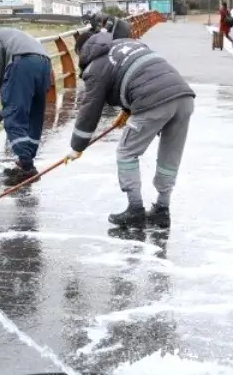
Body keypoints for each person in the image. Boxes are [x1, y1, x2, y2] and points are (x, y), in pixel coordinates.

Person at [66, 31, 195, 229]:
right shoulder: (126, 43)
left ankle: (135, 210)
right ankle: (162, 209)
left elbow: (90, 108)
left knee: (126, 153)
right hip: (183, 96)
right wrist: (126, 112)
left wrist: (77, 146)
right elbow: (140, 74)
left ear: (83, 51)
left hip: (154, 101)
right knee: (171, 155)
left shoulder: (95, 66)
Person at [0, 27, 52, 186]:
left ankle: (27, 168)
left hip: (23, 62)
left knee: (14, 120)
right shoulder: (10, 33)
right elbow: (18, 103)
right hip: (44, 62)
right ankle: (26, 160)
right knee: (33, 114)